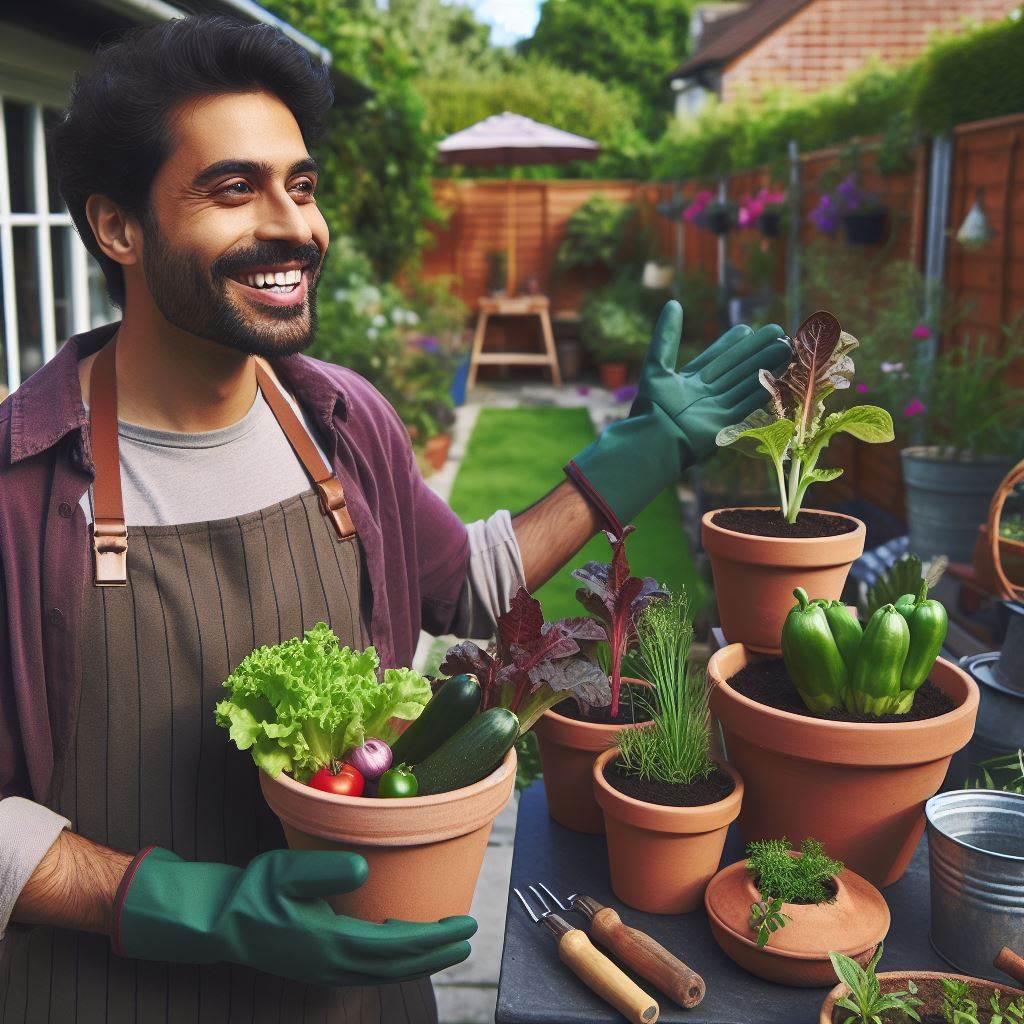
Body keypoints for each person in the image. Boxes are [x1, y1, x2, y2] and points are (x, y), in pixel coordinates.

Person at [0, 15, 790, 1024]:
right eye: (234, 189)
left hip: (356, 995)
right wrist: (168, 899)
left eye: (303, 184)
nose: (292, 224)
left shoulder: (336, 421)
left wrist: (630, 461)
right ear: (118, 227)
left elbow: (459, 586)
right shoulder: (21, 485)